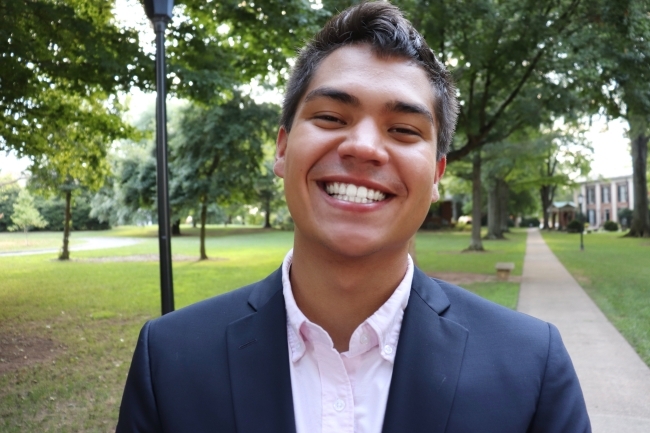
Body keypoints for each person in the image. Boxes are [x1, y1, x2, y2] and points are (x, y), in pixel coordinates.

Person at [116, 2, 591, 432]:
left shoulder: (532, 366)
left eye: (403, 129)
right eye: (330, 117)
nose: (363, 147)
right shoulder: (170, 359)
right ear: (282, 149)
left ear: (438, 174)